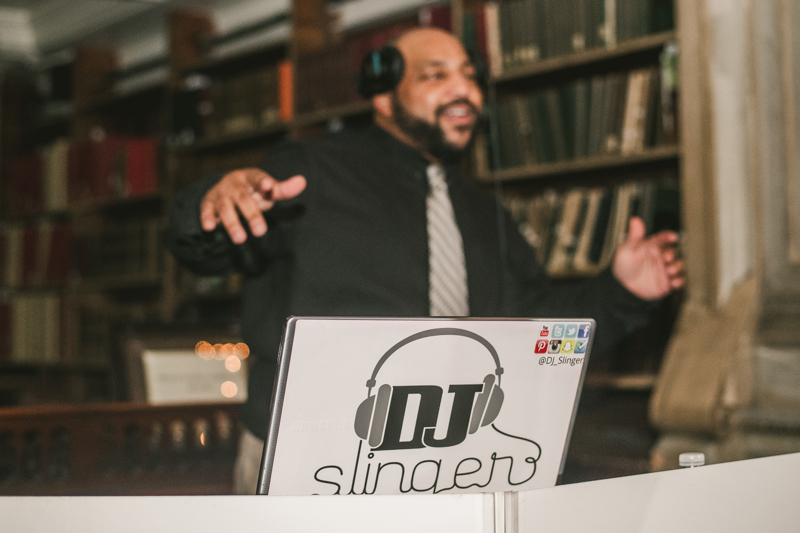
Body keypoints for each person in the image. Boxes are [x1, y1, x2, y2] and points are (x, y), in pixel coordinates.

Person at [166, 27, 684, 494]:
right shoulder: (309, 171)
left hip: (455, 458)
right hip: (314, 462)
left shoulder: (486, 214)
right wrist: (214, 201)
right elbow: (204, 252)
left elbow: (540, 336)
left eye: (469, 77)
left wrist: (622, 291)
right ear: (385, 97)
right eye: (435, 76)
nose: (464, 92)